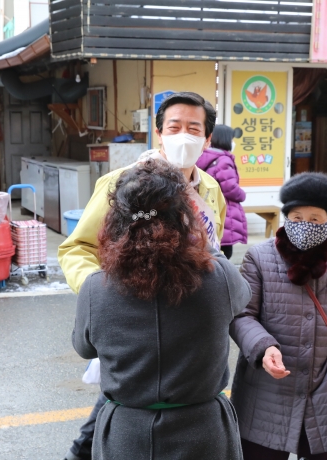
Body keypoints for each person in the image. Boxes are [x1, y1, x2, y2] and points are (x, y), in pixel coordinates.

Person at [58, 91, 227, 460]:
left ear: (207, 138)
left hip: (187, 317)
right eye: (174, 127)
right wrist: (106, 293)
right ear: (159, 133)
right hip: (132, 316)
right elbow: (76, 248)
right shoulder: (123, 184)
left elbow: (213, 255)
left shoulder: (210, 190)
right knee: (125, 398)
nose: (184, 135)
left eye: (193, 128)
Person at [72, 159, 251, 460]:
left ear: (115, 220)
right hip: (203, 431)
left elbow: (84, 348)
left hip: (127, 433)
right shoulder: (219, 276)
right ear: (184, 216)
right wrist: (203, 241)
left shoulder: (95, 286)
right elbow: (242, 298)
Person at [230, 172, 327, 460]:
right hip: (267, 393)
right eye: (297, 217)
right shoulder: (259, 257)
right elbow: (241, 314)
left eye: (314, 219)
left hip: (326, 394)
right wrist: (264, 348)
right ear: (286, 217)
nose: (304, 226)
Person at [197, 124, 248, 260]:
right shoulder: (223, 160)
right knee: (224, 254)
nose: (233, 142)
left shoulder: (203, 156)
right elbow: (230, 187)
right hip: (225, 211)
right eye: (231, 138)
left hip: (210, 207)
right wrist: (242, 195)